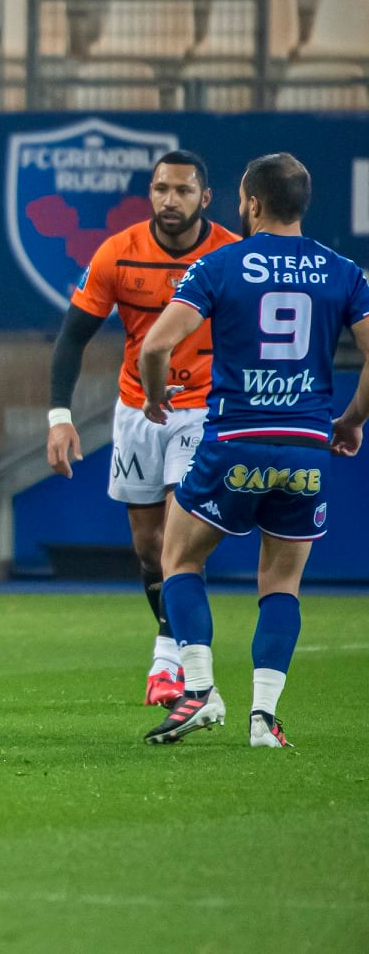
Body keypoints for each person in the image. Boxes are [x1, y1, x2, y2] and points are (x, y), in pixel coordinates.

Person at [139, 153, 369, 748]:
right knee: (281, 585)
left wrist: (158, 398)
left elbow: (155, 348)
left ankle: (196, 690)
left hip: (235, 441)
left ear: (252, 204)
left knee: (180, 558)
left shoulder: (218, 266)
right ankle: (263, 719)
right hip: (305, 447)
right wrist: (349, 421)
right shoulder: (344, 272)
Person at [46, 150, 238, 706]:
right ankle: (174, 650)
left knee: (180, 539)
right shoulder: (118, 254)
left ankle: (170, 665)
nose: (169, 200)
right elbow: (72, 338)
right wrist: (60, 418)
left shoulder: (228, 255)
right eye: (160, 189)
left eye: (181, 191)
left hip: (202, 408)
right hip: (136, 410)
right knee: (149, 548)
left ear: (205, 198)